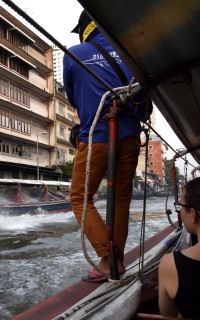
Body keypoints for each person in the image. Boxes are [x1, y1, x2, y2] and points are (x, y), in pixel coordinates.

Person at [63, 10, 142, 281]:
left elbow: (74, 100)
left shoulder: (74, 53)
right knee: (120, 199)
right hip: (130, 136)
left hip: (96, 135)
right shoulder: (130, 53)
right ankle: (117, 261)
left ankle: (107, 260)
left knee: (79, 197)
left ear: (85, 29)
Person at [158, 178, 200, 318]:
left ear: (193, 214)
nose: (180, 211)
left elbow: (168, 314)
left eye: (181, 206)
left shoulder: (170, 264)